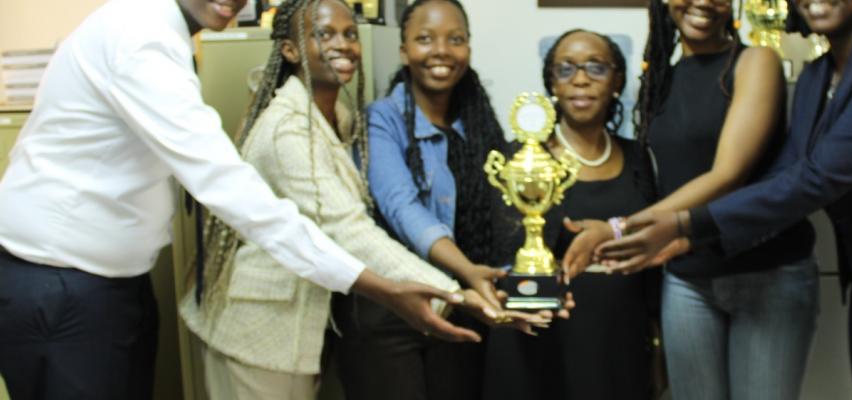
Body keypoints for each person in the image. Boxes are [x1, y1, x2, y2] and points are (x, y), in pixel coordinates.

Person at [0, 0, 478, 398]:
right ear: (291, 49)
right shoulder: (140, 39)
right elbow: (232, 191)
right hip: (56, 282)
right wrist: (397, 288)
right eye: (323, 33)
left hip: (108, 284)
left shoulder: (171, 35)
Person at [598, 0, 852, 399]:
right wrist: (689, 236)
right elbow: (789, 174)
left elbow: (822, 177)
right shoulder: (818, 76)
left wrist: (687, 225)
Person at [177, 1, 546, 398]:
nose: (344, 45)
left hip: (307, 322)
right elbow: (349, 227)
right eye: (323, 34)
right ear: (290, 49)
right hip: (262, 325)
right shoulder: (289, 129)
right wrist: (455, 293)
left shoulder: (338, 112)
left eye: (349, 33)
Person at [561, 1, 818, 398]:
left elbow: (726, 175)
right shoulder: (663, 78)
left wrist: (618, 228)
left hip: (767, 273)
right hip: (688, 279)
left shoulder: (755, 62)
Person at [336, 1, 561, 399]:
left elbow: (502, 223)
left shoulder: (479, 124)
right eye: (425, 39)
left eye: (454, 39)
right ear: (404, 50)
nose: (441, 50)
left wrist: (526, 287)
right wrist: (471, 272)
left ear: (468, 49)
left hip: (461, 311)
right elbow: (403, 208)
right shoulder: (380, 119)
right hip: (390, 318)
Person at [482, 29, 659, 400]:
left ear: (617, 80)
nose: (581, 79)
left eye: (596, 67)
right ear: (552, 83)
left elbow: (654, 245)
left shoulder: (640, 157)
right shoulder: (523, 161)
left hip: (619, 342)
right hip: (540, 339)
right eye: (566, 69)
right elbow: (504, 249)